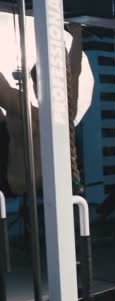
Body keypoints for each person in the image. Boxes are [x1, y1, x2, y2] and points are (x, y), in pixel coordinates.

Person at [0, 23, 84, 197]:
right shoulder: (61, 113)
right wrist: (77, 33)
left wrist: (77, 34)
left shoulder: (50, 114)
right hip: (20, 183)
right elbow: (74, 71)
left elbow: (74, 72)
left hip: (24, 185)